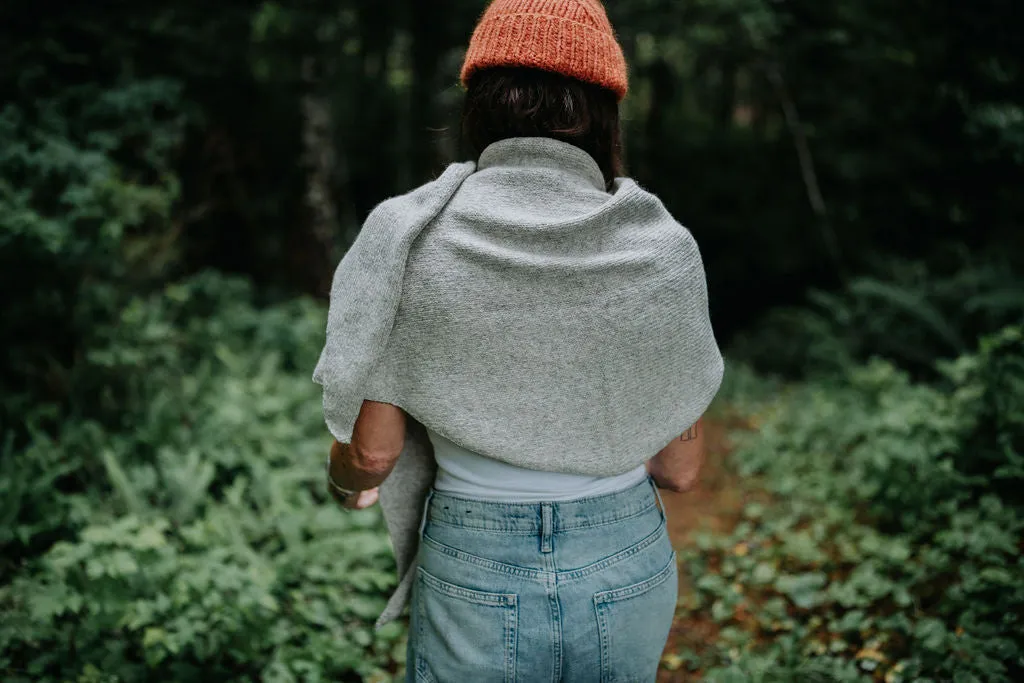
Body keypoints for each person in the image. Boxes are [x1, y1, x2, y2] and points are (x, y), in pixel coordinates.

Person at [313, 1, 724, 681]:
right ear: (603, 112)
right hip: (622, 556)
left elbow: (372, 453)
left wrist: (341, 481)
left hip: (473, 557)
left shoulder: (412, 237)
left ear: (478, 105)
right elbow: (680, 469)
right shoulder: (660, 249)